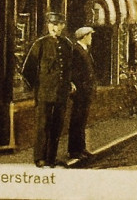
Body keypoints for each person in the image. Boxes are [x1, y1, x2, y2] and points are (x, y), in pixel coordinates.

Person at [21, 12, 74, 168]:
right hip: (44, 92)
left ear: (63, 26)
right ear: (47, 25)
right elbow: (27, 69)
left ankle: (51, 158)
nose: (54, 27)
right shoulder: (40, 44)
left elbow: (70, 67)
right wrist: (37, 87)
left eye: (57, 25)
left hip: (61, 93)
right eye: (51, 24)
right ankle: (39, 158)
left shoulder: (67, 44)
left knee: (57, 126)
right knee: (42, 125)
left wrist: (70, 83)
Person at [68, 26, 96, 160]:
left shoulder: (85, 50)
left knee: (83, 119)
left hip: (86, 90)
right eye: (90, 36)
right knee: (77, 120)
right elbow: (72, 71)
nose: (91, 38)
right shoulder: (76, 50)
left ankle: (81, 147)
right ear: (84, 37)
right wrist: (74, 84)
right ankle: (74, 150)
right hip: (80, 90)